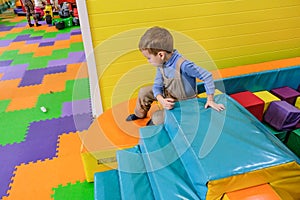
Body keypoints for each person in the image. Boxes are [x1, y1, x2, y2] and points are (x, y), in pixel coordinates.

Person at [126, 26, 225, 125]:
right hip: (170, 95)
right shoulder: (161, 64)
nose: (148, 61)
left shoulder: (184, 65)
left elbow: (207, 76)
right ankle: (139, 114)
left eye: (148, 58)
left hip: (185, 103)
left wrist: (210, 100)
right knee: (144, 92)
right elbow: (157, 85)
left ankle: (161, 120)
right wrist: (161, 100)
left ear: (161, 55)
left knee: (157, 118)